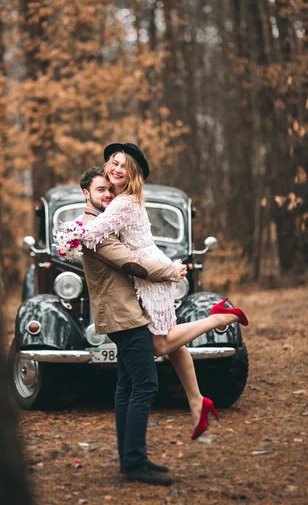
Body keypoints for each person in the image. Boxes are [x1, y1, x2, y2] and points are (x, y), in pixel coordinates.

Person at [81, 144, 249, 440]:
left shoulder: (122, 204)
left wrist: (70, 234)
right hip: (154, 266)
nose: (116, 168)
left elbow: (91, 234)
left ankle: (217, 319)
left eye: (123, 166)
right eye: (113, 162)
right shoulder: (127, 199)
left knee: (159, 345)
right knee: (174, 344)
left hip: (150, 275)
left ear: (132, 174)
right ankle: (197, 401)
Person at [80, 166, 187, 486]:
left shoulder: (102, 223)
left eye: (109, 190)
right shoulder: (92, 228)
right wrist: (171, 271)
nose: (107, 194)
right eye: (101, 190)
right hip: (123, 315)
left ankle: (131, 459)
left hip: (126, 312)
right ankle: (135, 462)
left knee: (127, 386)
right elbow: (130, 263)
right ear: (86, 194)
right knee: (146, 385)